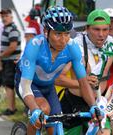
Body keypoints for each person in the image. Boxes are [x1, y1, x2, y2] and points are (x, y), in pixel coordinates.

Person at [15, 6, 104, 135]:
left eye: (67, 33)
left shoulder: (72, 47)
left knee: (56, 126)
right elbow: (25, 85)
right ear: (46, 31)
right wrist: (34, 109)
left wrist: (93, 106)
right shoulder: (35, 46)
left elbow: (83, 82)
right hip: (28, 83)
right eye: (58, 34)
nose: (63, 40)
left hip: (48, 85)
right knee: (43, 110)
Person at [56, 9, 113, 135]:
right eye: (96, 29)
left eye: (105, 29)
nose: (101, 34)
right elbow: (58, 78)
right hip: (76, 102)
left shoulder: (110, 43)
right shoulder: (75, 46)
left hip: (101, 99)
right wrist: (83, 83)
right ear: (87, 28)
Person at [0, 8, 21, 116]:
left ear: (11, 17)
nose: (4, 18)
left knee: (9, 85)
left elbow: (12, 47)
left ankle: (11, 109)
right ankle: (12, 107)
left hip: (12, 61)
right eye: (2, 16)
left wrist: (0, 56)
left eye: (6, 16)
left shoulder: (13, 29)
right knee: (8, 85)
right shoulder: (6, 29)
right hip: (8, 61)